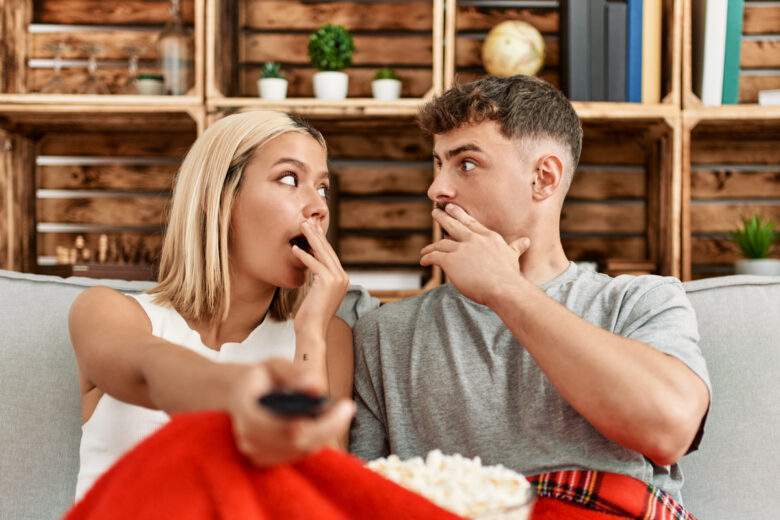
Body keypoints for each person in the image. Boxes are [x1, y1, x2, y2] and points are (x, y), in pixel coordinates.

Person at [349, 76, 711, 518]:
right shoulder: (385, 335)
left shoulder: (639, 301)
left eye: (465, 164)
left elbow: (669, 428)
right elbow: (358, 502)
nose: (437, 189)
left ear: (543, 178)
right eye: (437, 164)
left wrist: (506, 290)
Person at [69, 110, 373, 501]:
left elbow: (317, 495)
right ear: (219, 199)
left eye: (323, 188)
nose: (318, 206)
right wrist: (244, 397)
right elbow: (151, 372)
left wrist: (311, 336)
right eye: (289, 179)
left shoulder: (326, 337)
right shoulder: (109, 312)